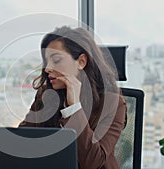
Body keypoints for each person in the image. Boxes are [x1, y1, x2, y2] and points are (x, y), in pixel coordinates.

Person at [19, 26, 127, 169]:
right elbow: (23, 140)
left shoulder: (113, 104)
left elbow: (93, 162)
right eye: (46, 61)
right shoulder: (47, 96)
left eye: (56, 60)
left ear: (81, 61)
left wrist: (74, 108)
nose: (47, 68)